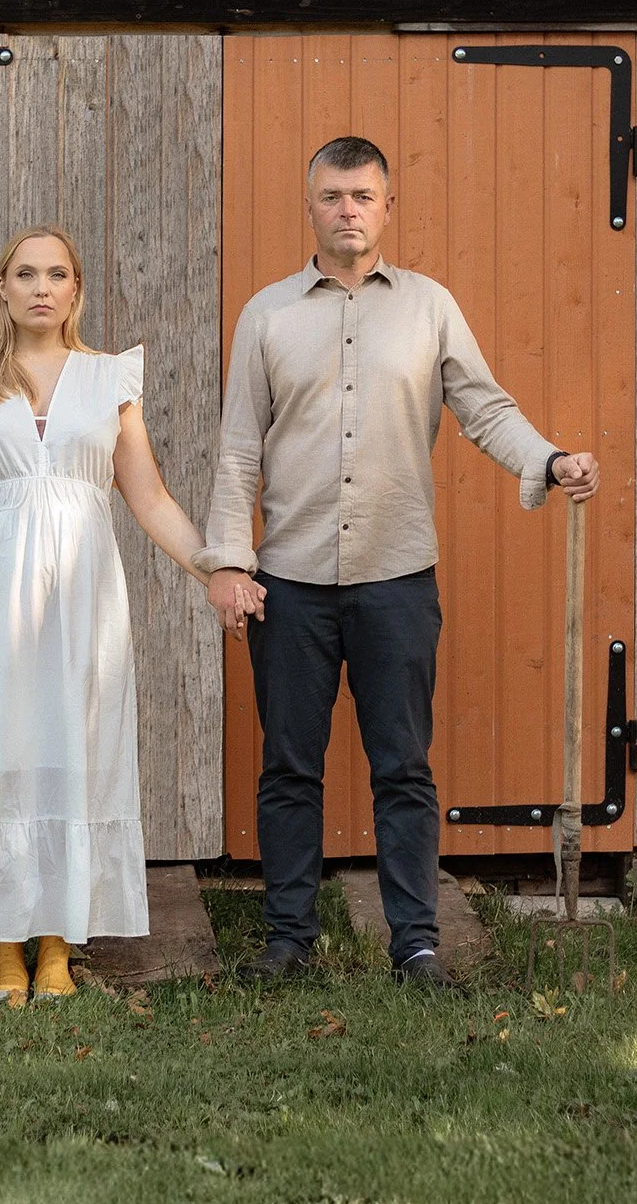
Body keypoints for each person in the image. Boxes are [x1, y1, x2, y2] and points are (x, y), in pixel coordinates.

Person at [197, 136, 600, 990]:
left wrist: (550, 458)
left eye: (364, 196)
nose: (349, 210)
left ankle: (415, 945)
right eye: (334, 195)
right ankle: (288, 941)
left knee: (404, 770)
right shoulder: (267, 316)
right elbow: (238, 453)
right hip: (291, 583)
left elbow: (485, 409)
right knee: (289, 767)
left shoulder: (429, 308)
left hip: (396, 578)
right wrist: (230, 564)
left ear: (388, 208)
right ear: (310, 206)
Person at [0, 225, 261, 1005]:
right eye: (26, 274)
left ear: (76, 290)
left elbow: (150, 499)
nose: (42, 287)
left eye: (57, 274)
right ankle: (5, 951)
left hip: (82, 603)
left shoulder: (109, 382)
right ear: (3, 287)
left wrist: (217, 567)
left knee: (76, 753)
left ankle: (59, 949)